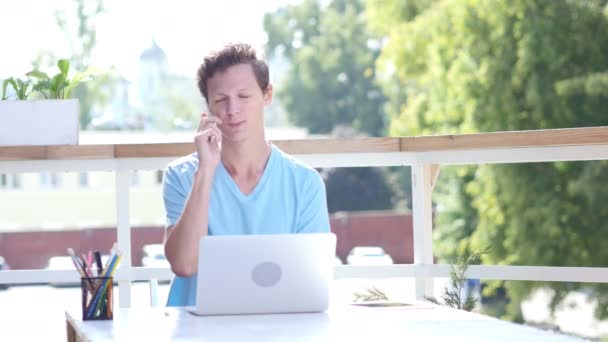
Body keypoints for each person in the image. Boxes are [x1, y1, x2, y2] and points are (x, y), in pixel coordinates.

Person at [162, 43, 331, 306]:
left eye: (244, 96)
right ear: (207, 107)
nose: (232, 110)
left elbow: (313, 282)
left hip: (277, 327)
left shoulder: (305, 183)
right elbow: (184, 264)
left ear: (267, 95)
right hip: (196, 331)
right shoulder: (181, 176)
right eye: (220, 100)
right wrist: (205, 171)